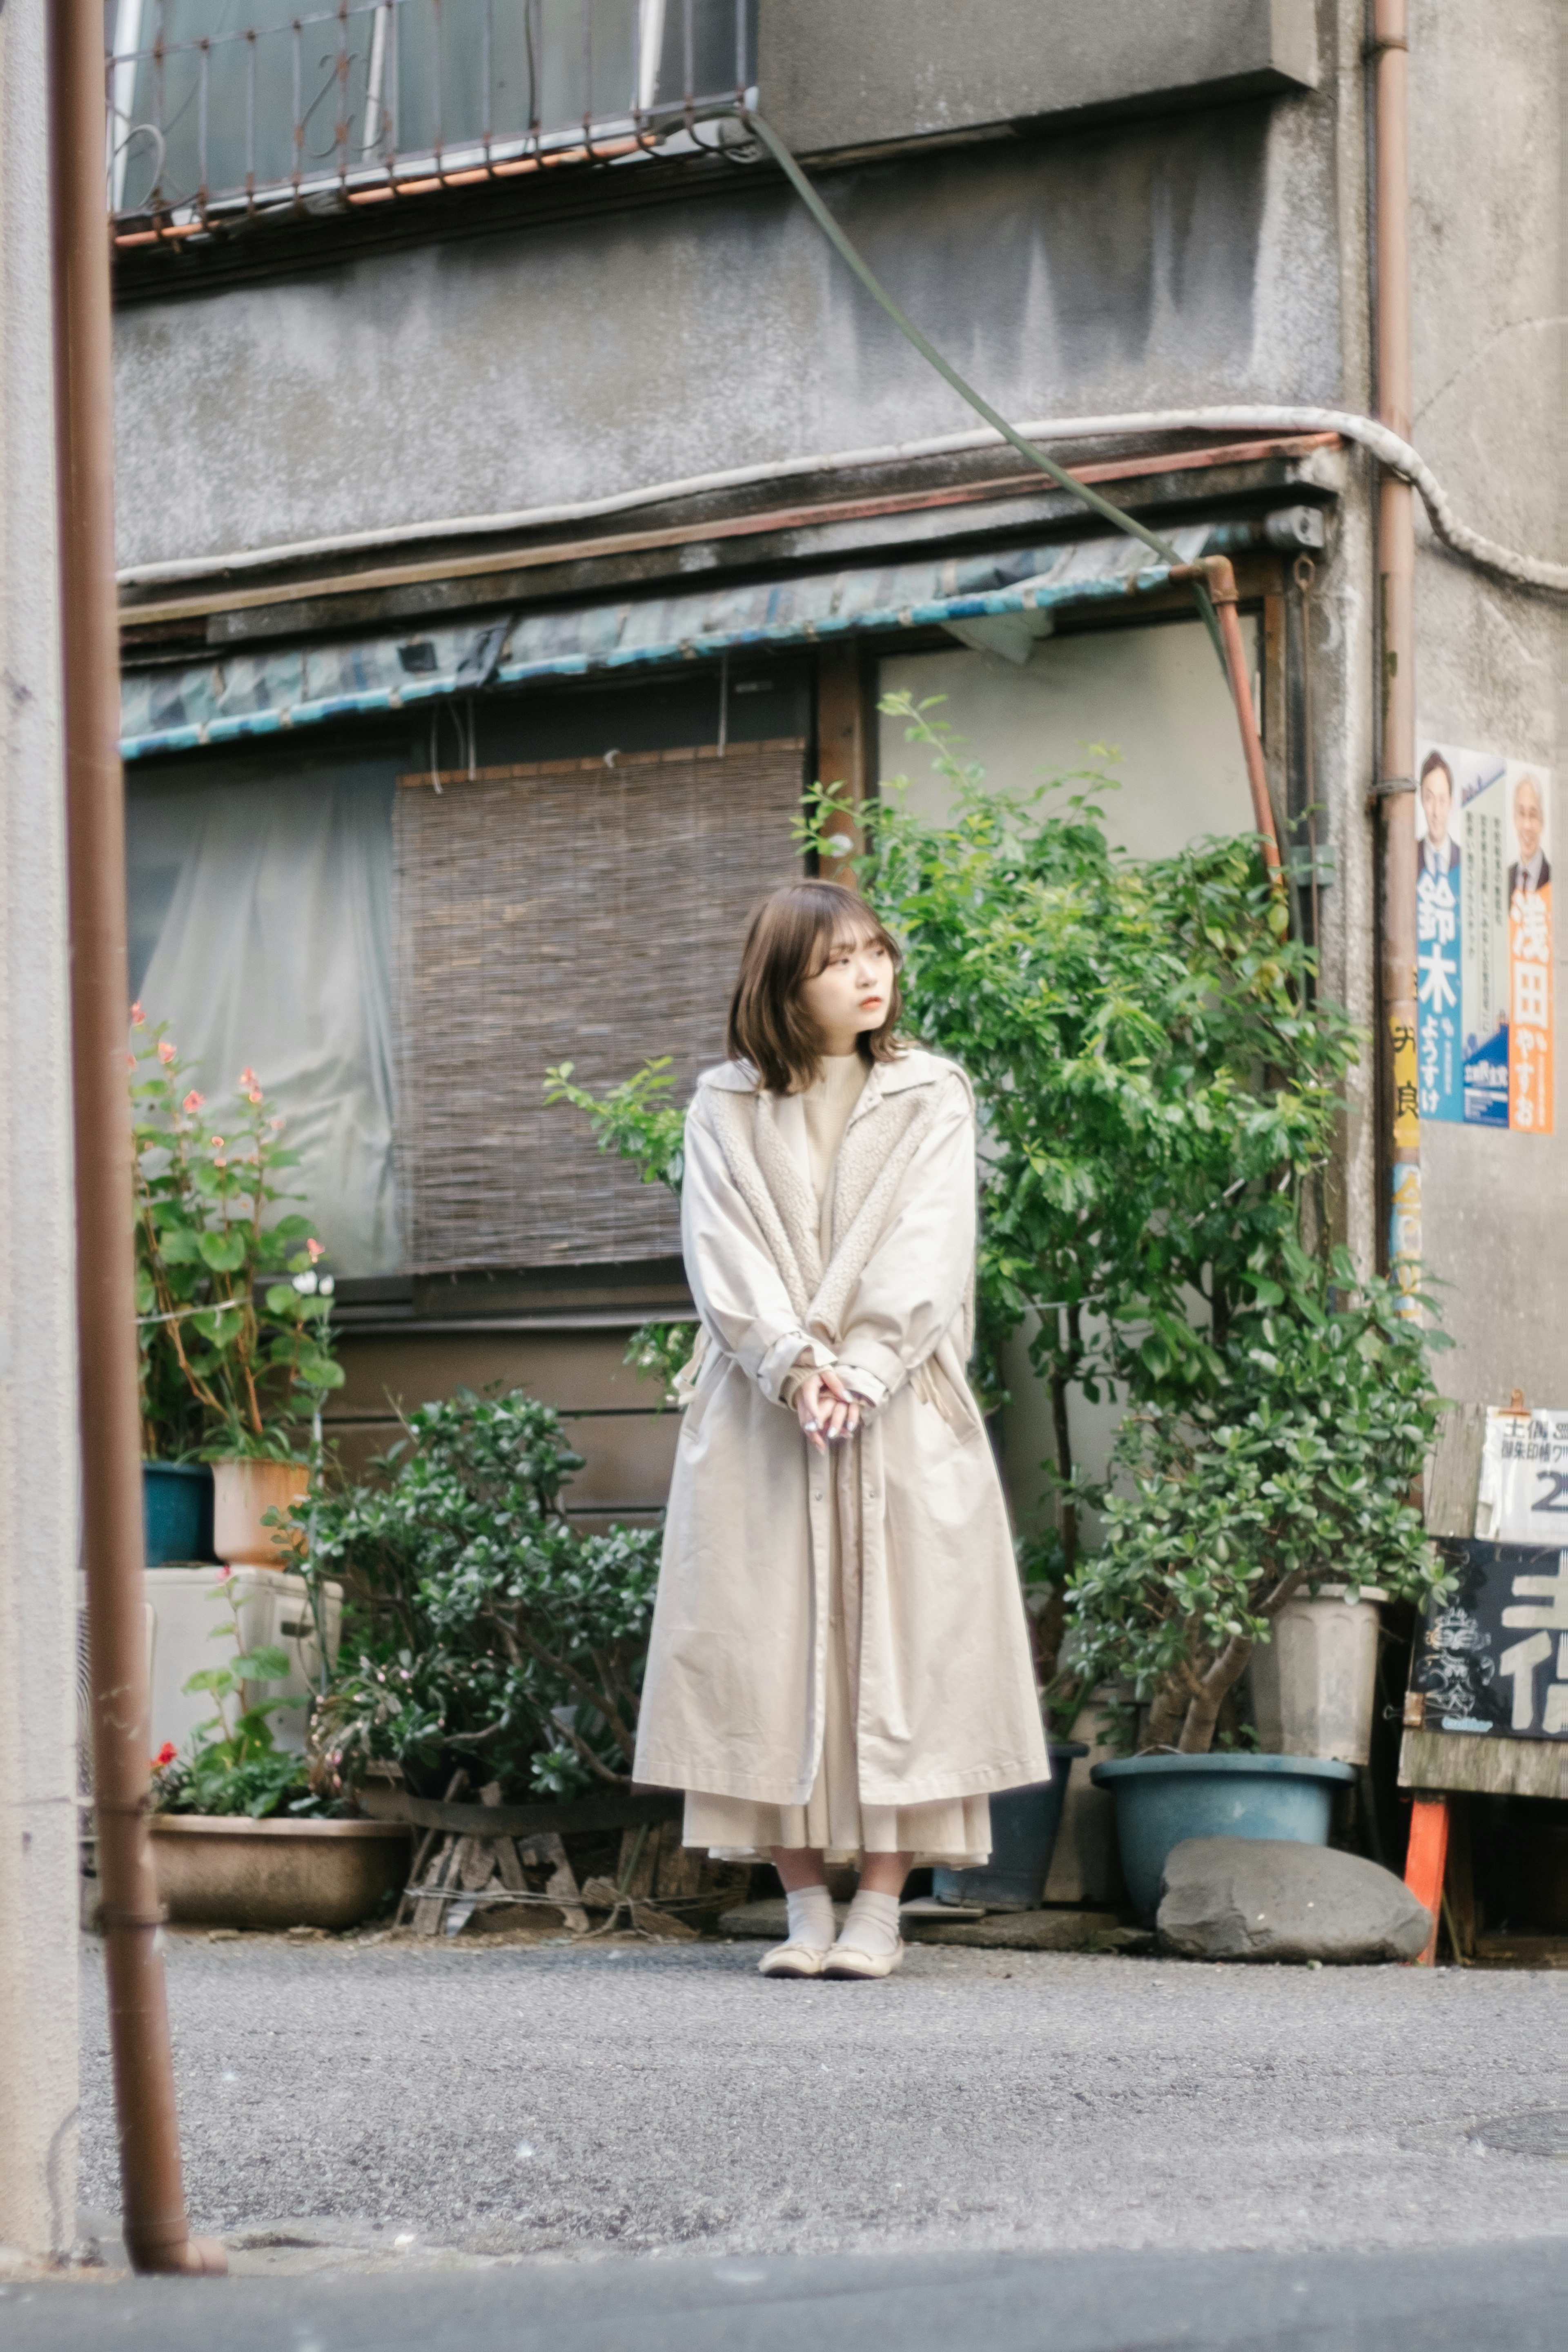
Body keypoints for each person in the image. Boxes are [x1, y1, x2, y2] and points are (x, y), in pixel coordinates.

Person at [633, 880, 1047, 1981]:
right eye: (840, 961)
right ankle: (803, 1903)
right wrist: (792, 1364)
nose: (873, 975)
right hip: (763, 1407)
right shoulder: (722, 1104)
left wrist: (857, 1369)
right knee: (759, 1646)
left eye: (880, 953)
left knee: (909, 1646)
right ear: (782, 983)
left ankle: (880, 1910)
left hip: (901, 1400)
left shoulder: (930, 1092)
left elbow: (929, 1245)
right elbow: (720, 1249)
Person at [1418, 750, 1459, 882]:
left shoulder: (1466, 862)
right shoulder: (1409, 856)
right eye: (1430, 798)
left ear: (1451, 802)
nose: (1436, 812)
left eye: (1442, 800)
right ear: (1422, 799)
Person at [1508, 773, 1551, 898]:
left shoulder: (1556, 878)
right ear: (1515, 818)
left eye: (1533, 815)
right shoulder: (1503, 878)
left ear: (1542, 821)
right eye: (1521, 814)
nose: (1527, 826)